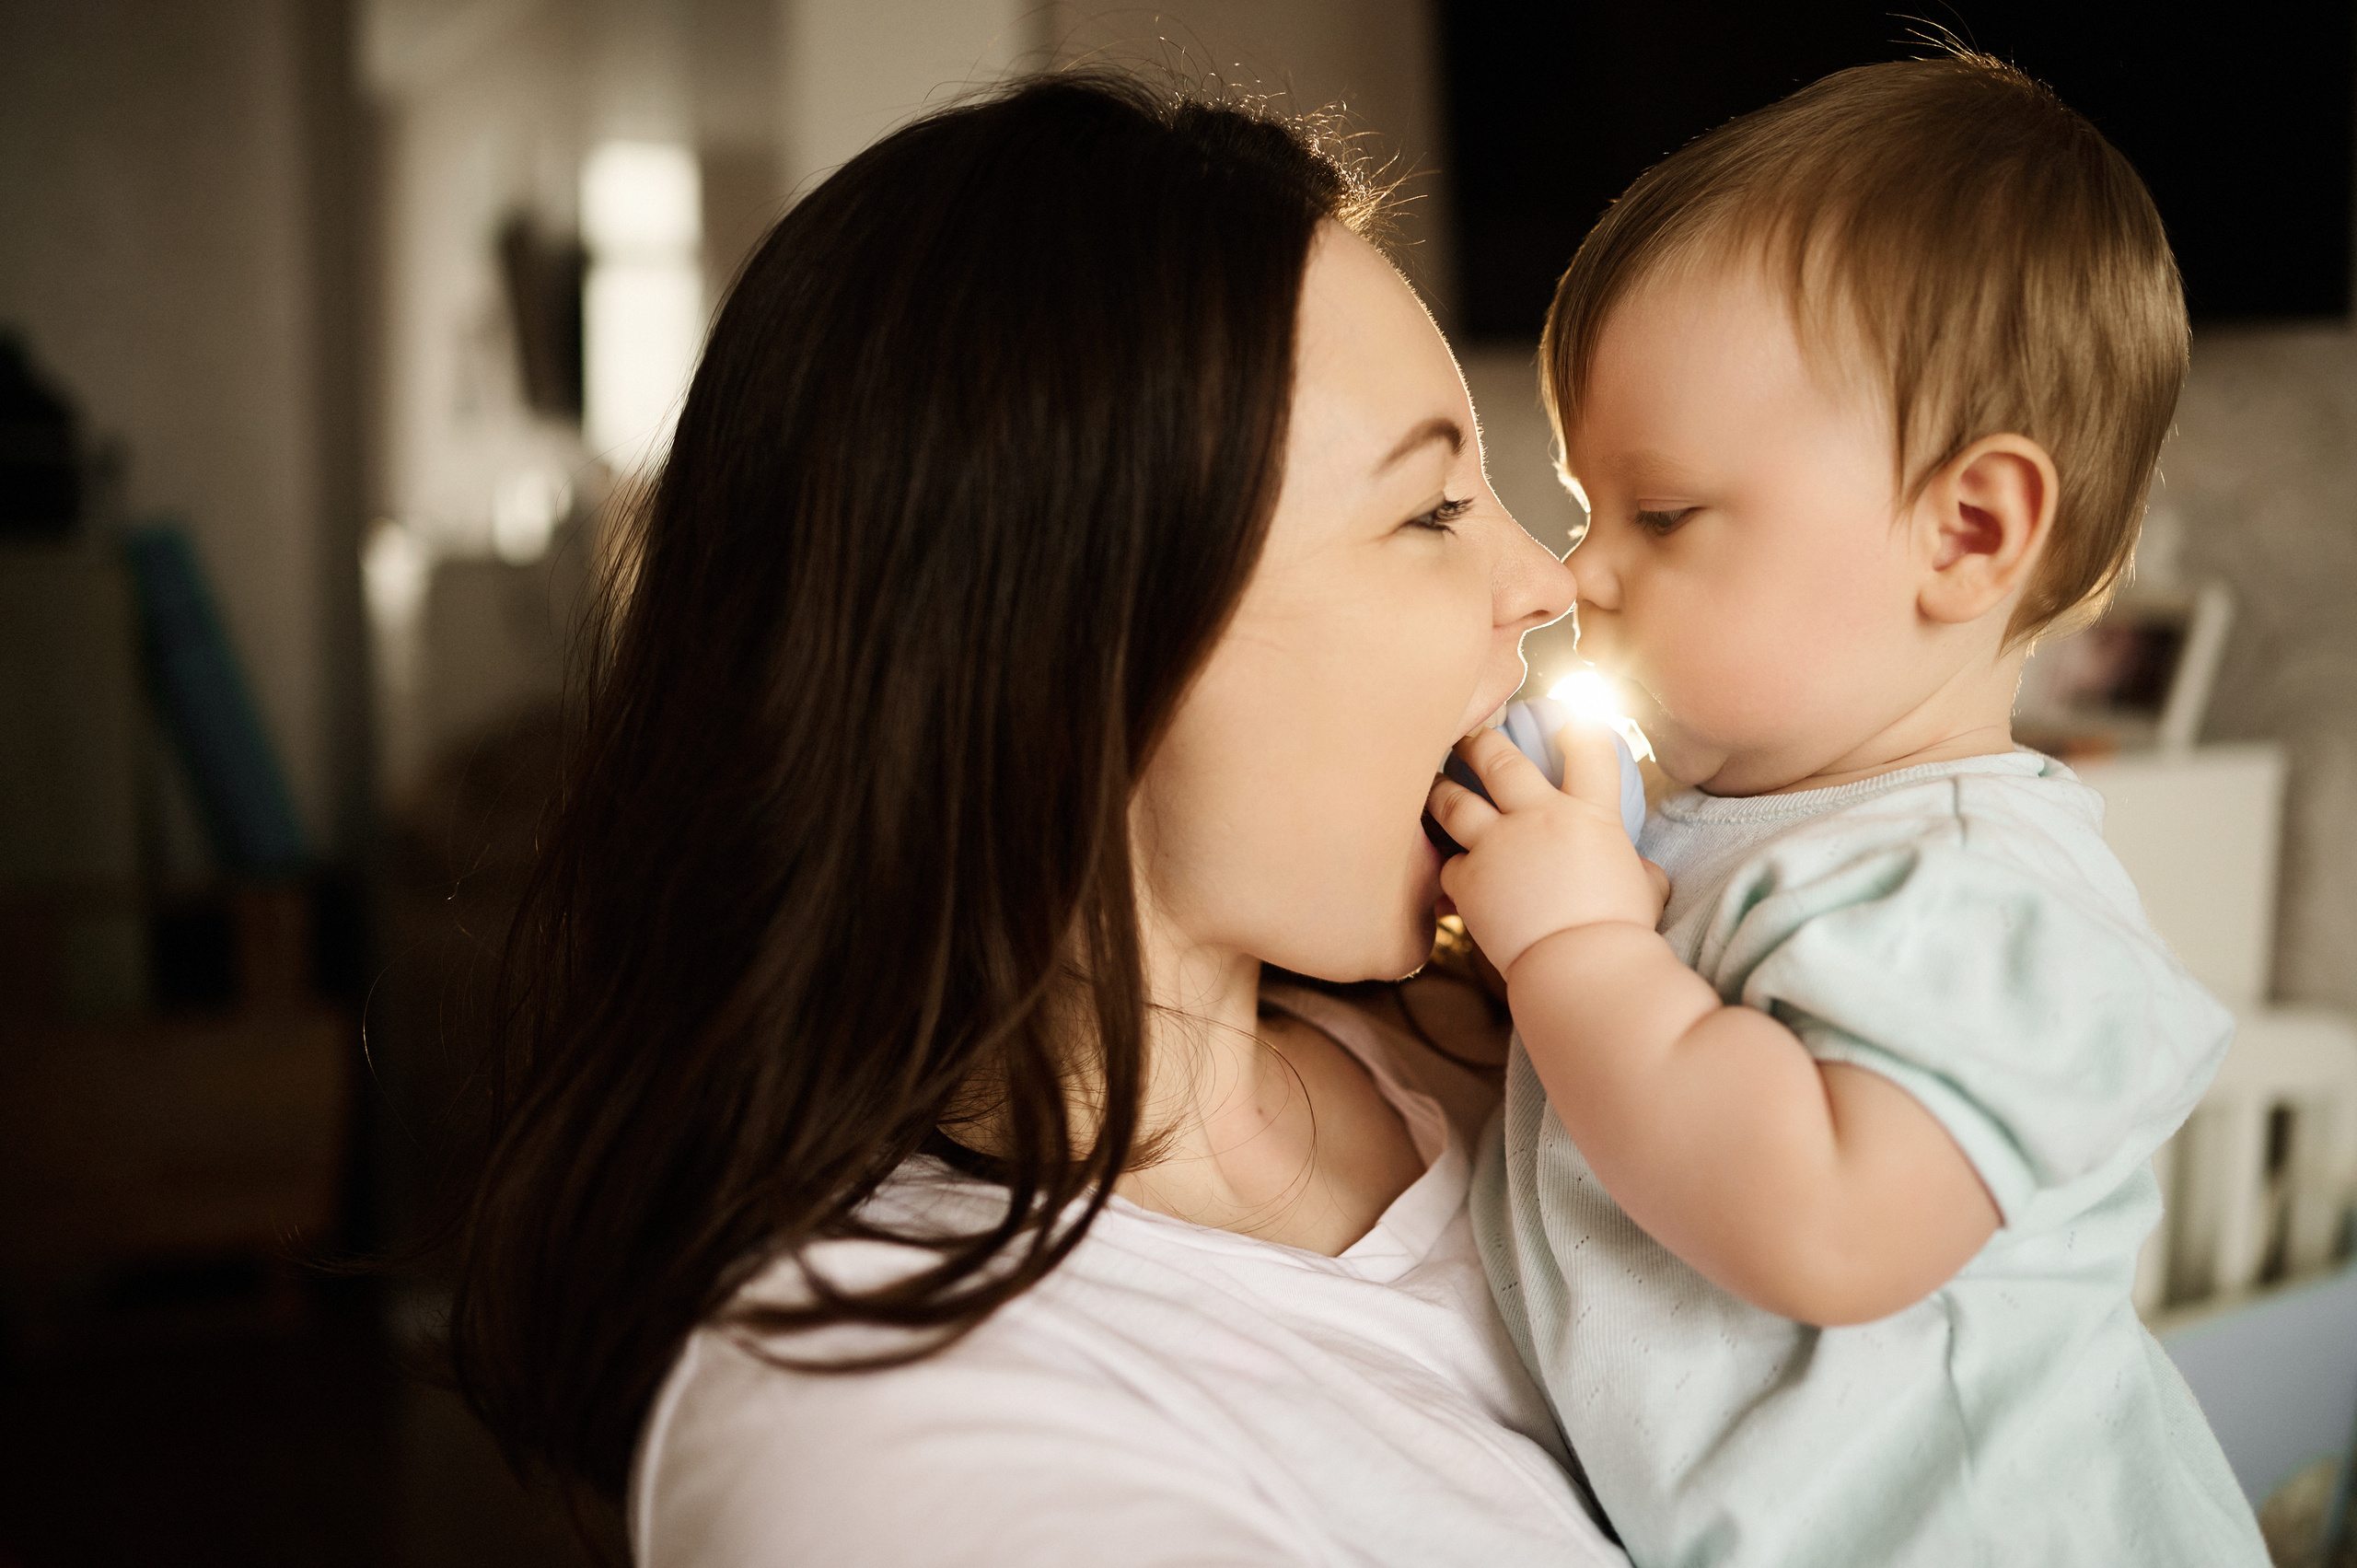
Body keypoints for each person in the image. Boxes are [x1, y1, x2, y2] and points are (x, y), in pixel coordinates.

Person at [443, 74, 1628, 1564]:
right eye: (1433, 511)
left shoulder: (1548, 1054)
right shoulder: (882, 1434)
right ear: (1078, 658)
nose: (1549, 582)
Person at [1426, 52, 2270, 1566]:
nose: (1580, 576)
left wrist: (1576, 951)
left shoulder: (1973, 887)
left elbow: (1827, 1224)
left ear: (1965, 531)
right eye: (1583, 512)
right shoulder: (1715, 835)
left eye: (1664, 515)